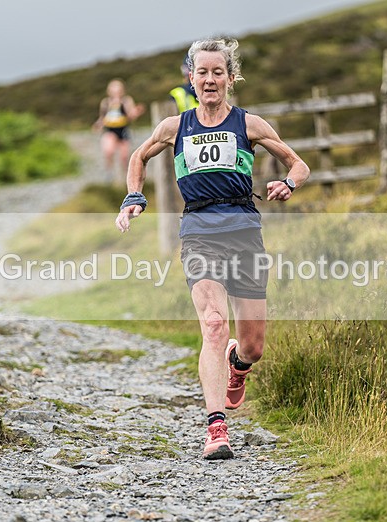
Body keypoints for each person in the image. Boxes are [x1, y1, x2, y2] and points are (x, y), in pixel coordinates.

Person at [115, 38, 310, 460]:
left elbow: (299, 164)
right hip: (199, 231)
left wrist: (288, 183)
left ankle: (237, 366)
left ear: (230, 78)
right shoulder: (174, 127)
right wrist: (134, 197)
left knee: (253, 345)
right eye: (201, 72)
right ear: (191, 78)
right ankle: (216, 429)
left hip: (244, 231)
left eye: (217, 72)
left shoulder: (249, 124)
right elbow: (138, 156)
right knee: (214, 325)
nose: (209, 79)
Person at [92, 79, 146, 181]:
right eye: (113, 90)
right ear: (109, 91)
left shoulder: (126, 101)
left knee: (124, 157)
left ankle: (125, 178)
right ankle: (109, 173)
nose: (116, 93)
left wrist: (137, 112)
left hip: (123, 130)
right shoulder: (106, 102)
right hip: (110, 130)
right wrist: (98, 125)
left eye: (118, 90)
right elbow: (102, 117)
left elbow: (131, 115)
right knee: (108, 150)